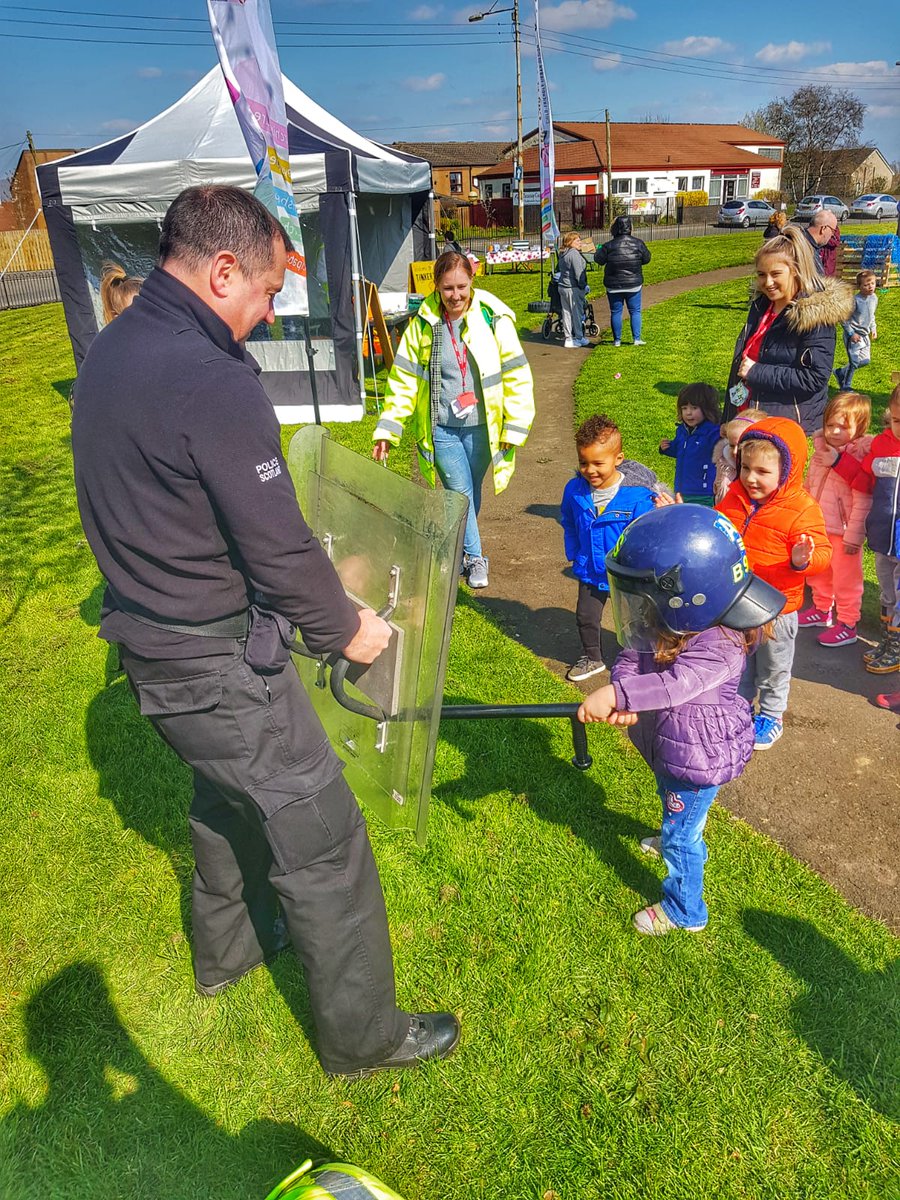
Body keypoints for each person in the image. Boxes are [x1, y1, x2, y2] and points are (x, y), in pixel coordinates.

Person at [70, 184, 459, 1080]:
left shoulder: (116, 346)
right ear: (220, 270)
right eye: (271, 289)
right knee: (325, 838)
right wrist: (343, 631)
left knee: (227, 799)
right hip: (214, 667)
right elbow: (277, 547)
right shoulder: (210, 378)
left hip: (154, 654)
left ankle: (232, 949)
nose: (273, 308)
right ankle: (364, 1038)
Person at [577, 504, 784, 935]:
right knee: (673, 805)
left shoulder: (721, 644)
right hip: (672, 746)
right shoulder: (674, 616)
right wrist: (625, 687)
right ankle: (677, 823)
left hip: (698, 759)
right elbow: (633, 652)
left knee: (683, 838)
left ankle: (685, 911)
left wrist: (616, 695)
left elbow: (676, 685)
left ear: (688, 592)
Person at [372, 250, 534, 592]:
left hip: (483, 430)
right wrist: (388, 427)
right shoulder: (422, 324)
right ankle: (476, 558)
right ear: (437, 287)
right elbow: (402, 379)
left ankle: (458, 548)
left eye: (461, 287)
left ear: (472, 282)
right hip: (441, 428)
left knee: (470, 493)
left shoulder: (494, 318)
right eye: (448, 288)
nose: (455, 296)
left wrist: (513, 425)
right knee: (458, 493)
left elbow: (516, 373)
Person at [715, 417, 831, 749]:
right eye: (746, 467)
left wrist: (801, 560)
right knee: (739, 661)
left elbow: (823, 552)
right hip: (737, 601)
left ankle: (771, 714)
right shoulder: (735, 495)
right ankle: (739, 707)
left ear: (788, 471)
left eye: (763, 472)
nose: (751, 478)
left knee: (773, 666)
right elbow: (719, 528)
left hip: (778, 609)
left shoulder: (800, 509)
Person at [560, 413, 662, 682]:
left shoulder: (638, 498)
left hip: (627, 574)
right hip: (591, 568)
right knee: (586, 615)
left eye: (598, 463)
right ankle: (592, 657)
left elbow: (648, 535)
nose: (590, 470)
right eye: (583, 462)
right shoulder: (574, 491)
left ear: (618, 459)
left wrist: (644, 568)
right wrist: (573, 552)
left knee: (637, 618)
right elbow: (568, 521)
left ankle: (640, 658)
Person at [724, 224, 854, 433]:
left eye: (775, 274)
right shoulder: (761, 307)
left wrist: (757, 371)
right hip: (749, 419)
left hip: (784, 427)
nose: (768, 282)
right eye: (761, 274)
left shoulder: (814, 316)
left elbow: (814, 377)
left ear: (795, 271)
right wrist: (729, 420)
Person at [827, 384, 900, 674]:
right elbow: (863, 480)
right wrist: (839, 463)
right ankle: (887, 640)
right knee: (887, 592)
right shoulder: (882, 446)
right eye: (896, 421)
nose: (899, 428)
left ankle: (896, 648)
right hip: (883, 535)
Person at [800, 391, 873, 647]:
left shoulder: (861, 455)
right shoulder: (821, 450)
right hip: (819, 525)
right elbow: (809, 486)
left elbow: (863, 495)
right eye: (830, 425)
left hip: (844, 532)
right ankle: (822, 610)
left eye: (843, 426)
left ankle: (848, 623)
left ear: (860, 428)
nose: (834, 431)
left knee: (846, 579)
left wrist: (854, 536)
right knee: (819, 572)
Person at [658, 383, 721, 505]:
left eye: (694, 408)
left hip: (703, 493)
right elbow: (681, 450)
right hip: (681, 491)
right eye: (684, 408)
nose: (688, 413)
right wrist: (667, 448)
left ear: (706, 409)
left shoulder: (713, 433)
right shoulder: (682, 430)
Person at [593, 215, 651, 347]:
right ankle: (636, 339)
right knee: (635, 311)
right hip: (634, 283)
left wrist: (599, 251)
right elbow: (647, 259)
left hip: (613, 284)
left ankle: (617, 340)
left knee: (616, 312)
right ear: (630, 228)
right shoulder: (638, 243)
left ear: (614, 228)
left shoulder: (608, 246)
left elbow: (598, 260)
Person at [712, 407, 768, 503]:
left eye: (741, 445)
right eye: (732, 445)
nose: (734, 451)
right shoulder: (724, 465)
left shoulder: (766, 471)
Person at [836, 270, 878, 390]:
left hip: (865, 335)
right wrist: (851, 333)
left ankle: (841, 372)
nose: (870, 287)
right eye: (866, 285)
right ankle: (846, 385)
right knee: (854, 362)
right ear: (859, 286)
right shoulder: (855, 301)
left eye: (873, 283)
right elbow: (843, 318)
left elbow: (872, 315)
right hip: (854, 336)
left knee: (865, 360)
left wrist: (873, 328)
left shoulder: (874, 298)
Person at [556, 230, 590, 349]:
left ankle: (568, 338)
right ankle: (578, 337)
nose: (580, 242)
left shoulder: (563, 253)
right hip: (572, 288)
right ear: (570, 242)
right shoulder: (574, 254)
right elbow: (578, 273)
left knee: (566, 313)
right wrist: (584, 286)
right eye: (577, 240)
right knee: (576, 313)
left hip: (562, 287)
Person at [803, 210, 840, 275]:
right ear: (823, 228)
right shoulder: (800, 245)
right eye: (832, 231)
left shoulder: (812, 246)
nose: (832, 235)